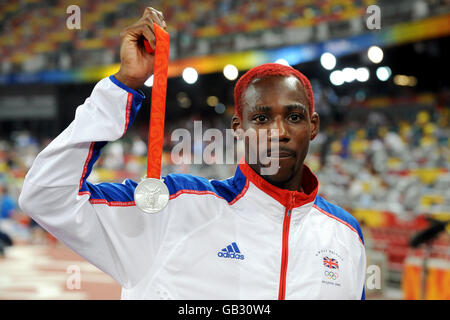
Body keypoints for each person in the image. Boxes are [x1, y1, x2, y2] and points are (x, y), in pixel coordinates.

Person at [19, 7, 366, 299]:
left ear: (314, 126)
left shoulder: (345, 234)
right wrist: (122, 86)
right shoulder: (172, 208)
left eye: (294, 117)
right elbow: (46, 195)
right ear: (237, 129)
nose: (279, 133)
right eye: (261, 118)